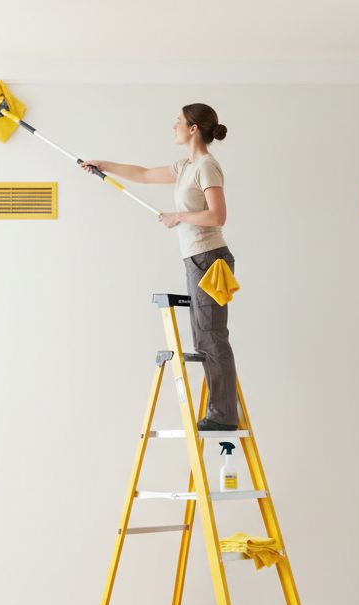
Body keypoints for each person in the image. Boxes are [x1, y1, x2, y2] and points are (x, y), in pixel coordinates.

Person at [81, 103, 240, 431]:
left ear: (193, 128)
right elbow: (142, 174)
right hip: (197, 259)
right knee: (203, 338)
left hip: (210, 259)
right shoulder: (186, 166)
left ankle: (223, 415)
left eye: (178, 122)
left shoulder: (207, 167)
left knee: (211, 337)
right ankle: (217, 409)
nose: (174, 127)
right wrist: (102, 165)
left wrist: (178, 216)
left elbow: (217, 216)